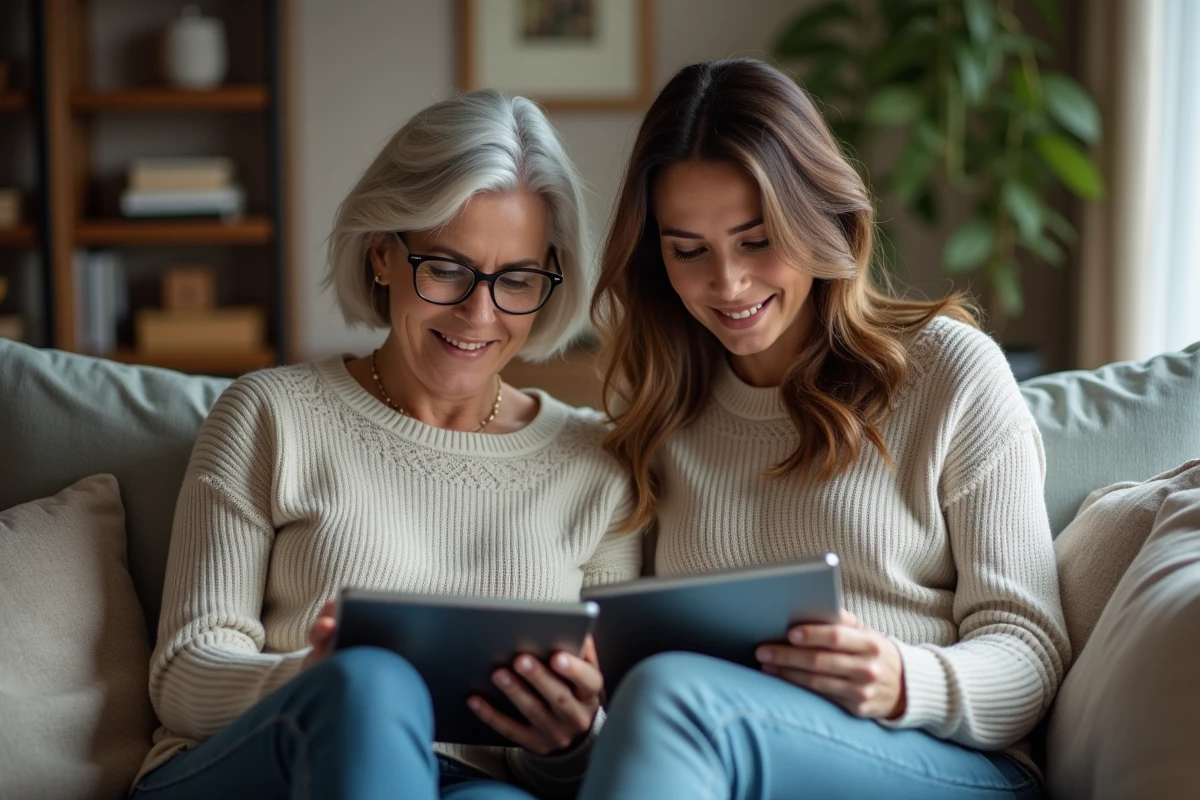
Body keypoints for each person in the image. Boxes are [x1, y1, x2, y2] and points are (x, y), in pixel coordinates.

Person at [578, 58, 1070, 800]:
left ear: (819, 219)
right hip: (729, 756)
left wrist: (902, 680)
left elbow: (1028, 650)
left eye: (756, 239)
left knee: (672, 700)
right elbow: (612, 669)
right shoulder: (656, 414)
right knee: (661, 696)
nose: (729, 283)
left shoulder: (949, 373)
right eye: (689, 251)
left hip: (942, 760)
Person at [130, 89, 640, 800]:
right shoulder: (271, 414)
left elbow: (599, 752)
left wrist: (571, 739)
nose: (479, 312)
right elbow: (184, 675)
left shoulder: (599, 467)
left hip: (471, 782)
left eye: (516, 279)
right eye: (447, 269)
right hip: (260, 768)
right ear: (381, 256)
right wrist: (313, 678)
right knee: (370, 683)